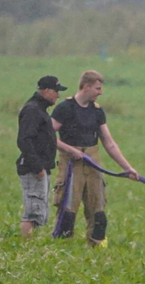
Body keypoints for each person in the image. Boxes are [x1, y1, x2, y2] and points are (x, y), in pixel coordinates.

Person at [51, 70, 138, 247]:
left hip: (93, 163)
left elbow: (109, 142)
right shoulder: (64, 108)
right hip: (71, 164)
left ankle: (96, 245)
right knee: (68, 209)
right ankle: (62, 247)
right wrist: (70, 150)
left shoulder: (97, 112)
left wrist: (127, 168)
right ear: (86, 86)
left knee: (97, 210)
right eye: (98, 88)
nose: (101, 92)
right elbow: (47, 135)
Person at [16, 75, 66, 237]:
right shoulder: (32, 110)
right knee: (32, 211)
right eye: (55, 91)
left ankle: (32, 243)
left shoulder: (40, 110)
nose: (58, 95)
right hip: (33, 168)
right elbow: (24, 140)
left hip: (42, 167)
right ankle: (25, 244)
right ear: (45, 90)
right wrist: (37, 167)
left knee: (39, 210)